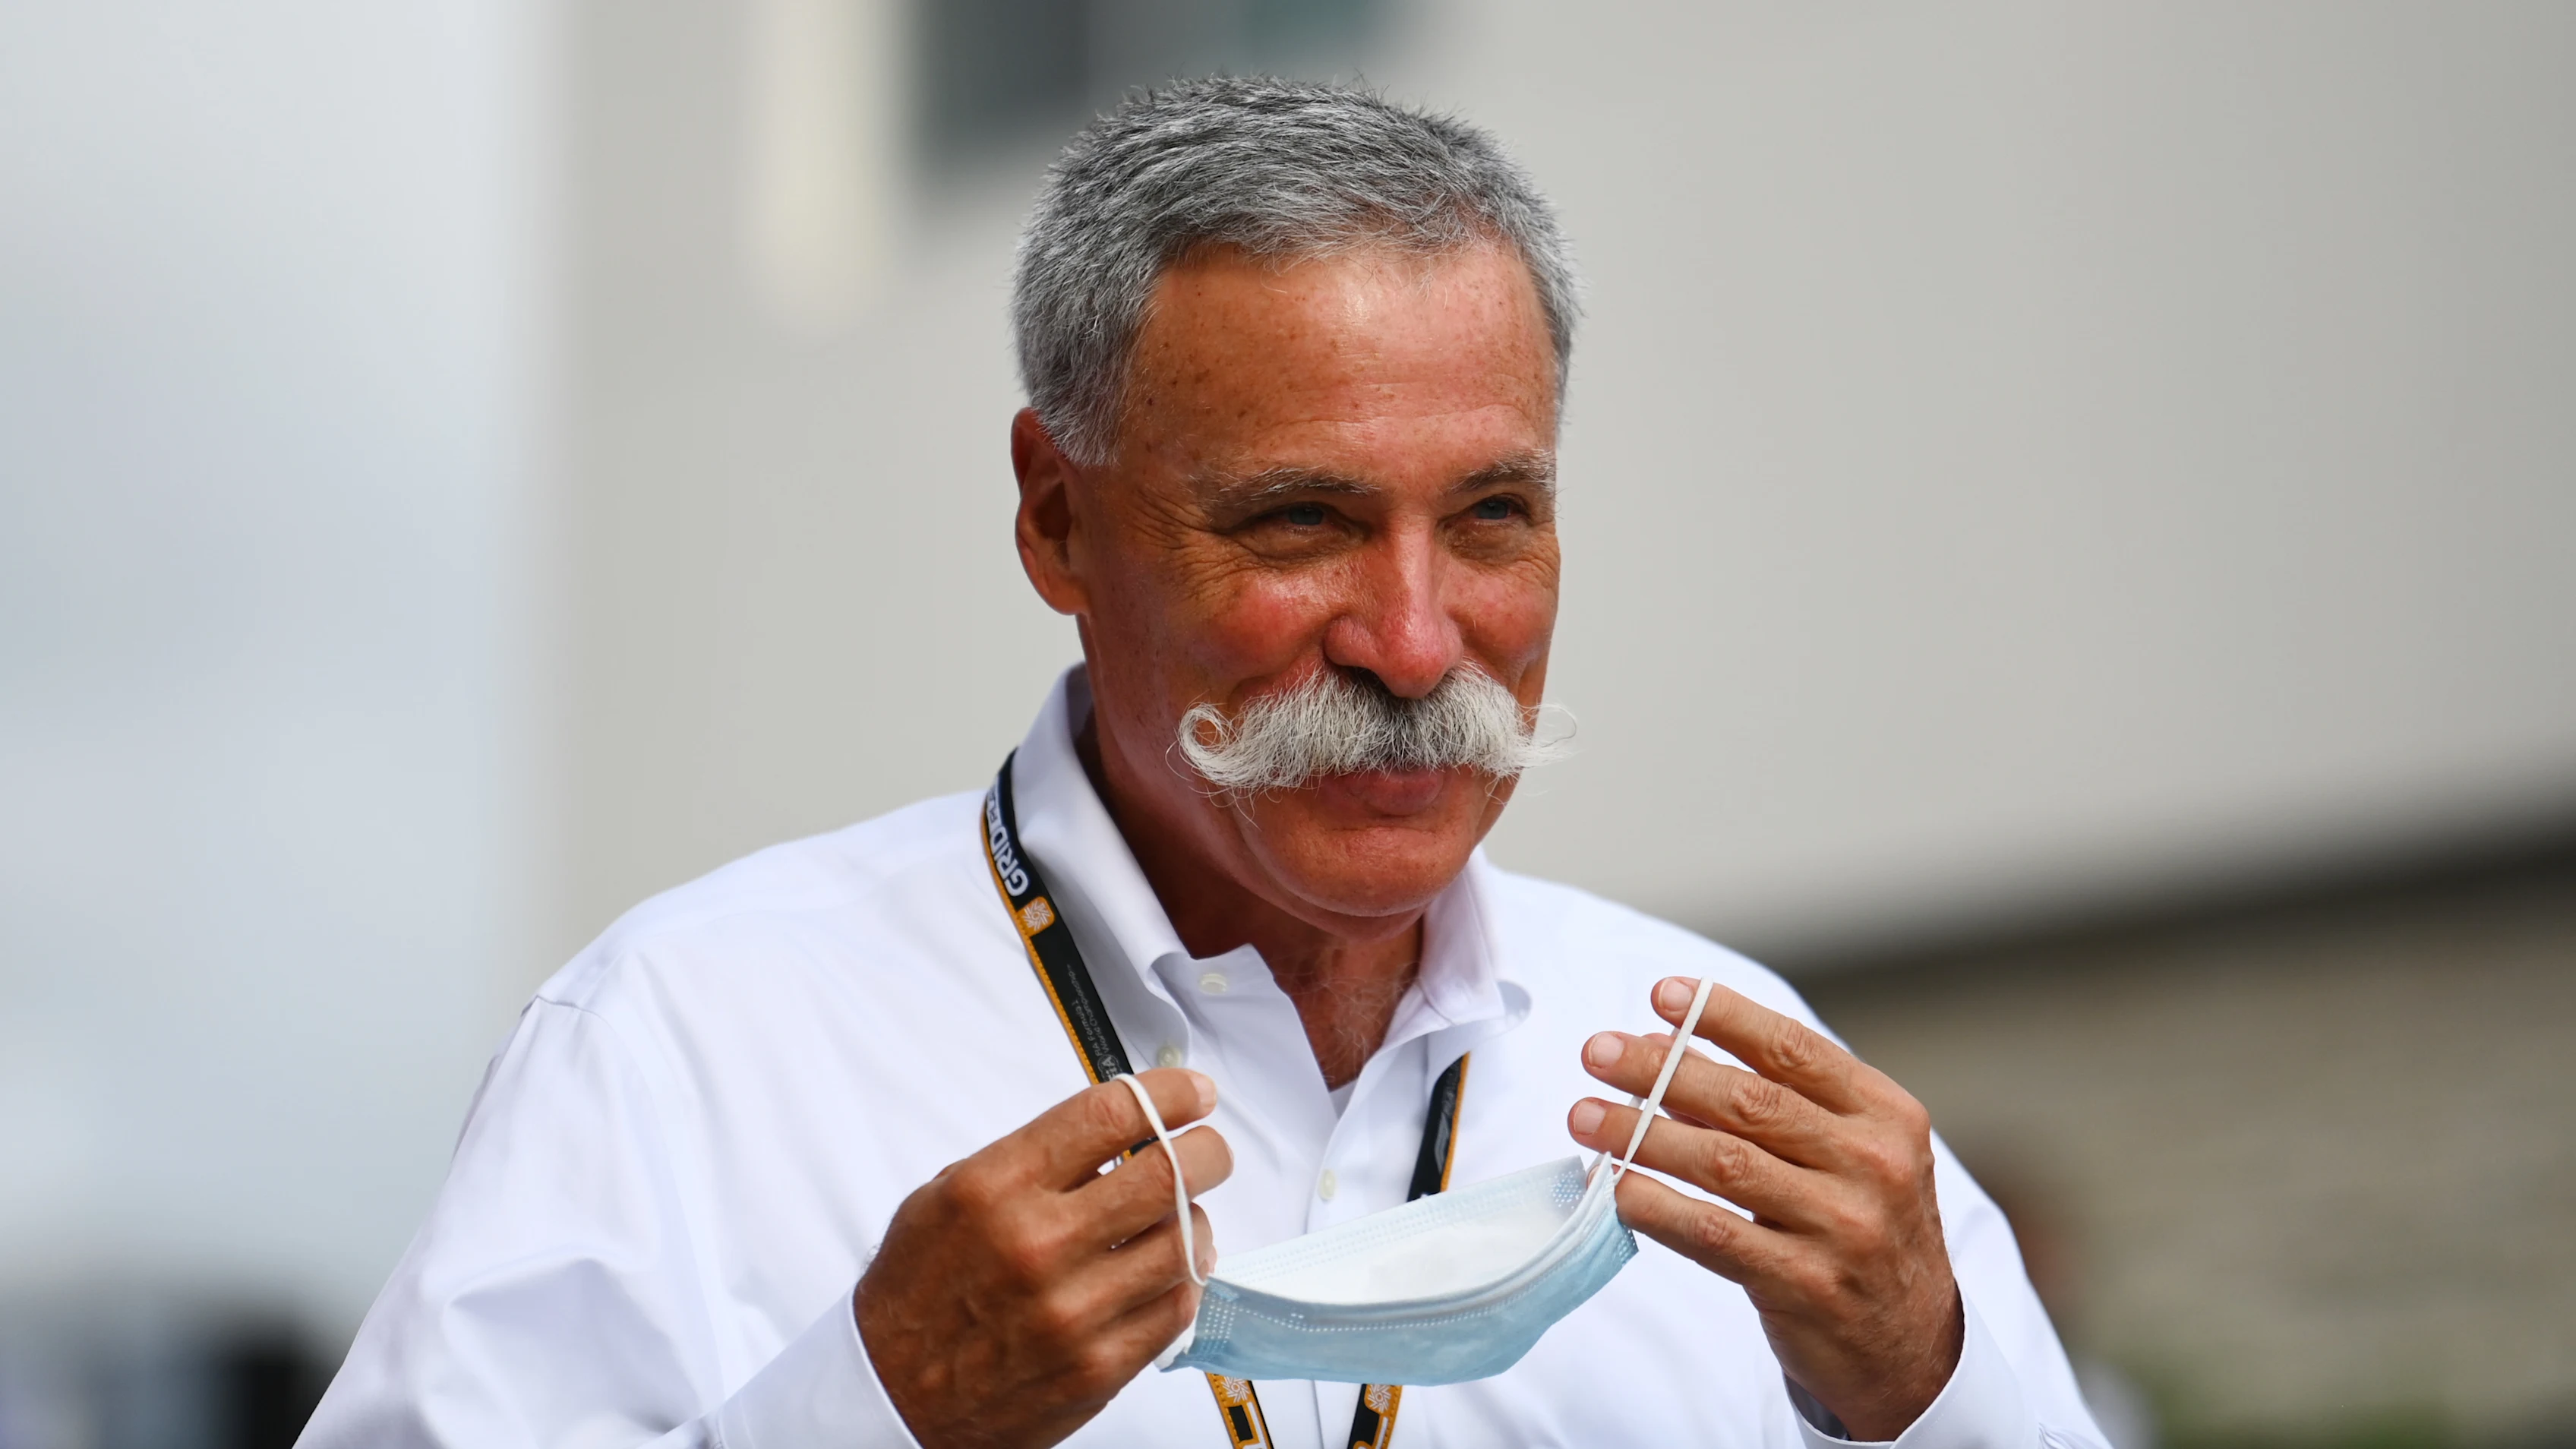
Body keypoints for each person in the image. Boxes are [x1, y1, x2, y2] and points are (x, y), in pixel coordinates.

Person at [301, 78, 2109, 1449]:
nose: (1414, 643)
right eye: (1300, 522)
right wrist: (860, 1412)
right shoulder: (688, 1052)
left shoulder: (1730, 1063)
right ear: (1053, 519)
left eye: (1492, 516)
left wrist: (1925, 1395)